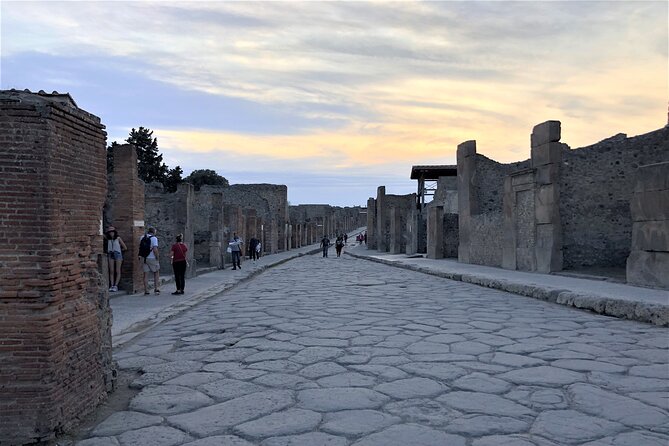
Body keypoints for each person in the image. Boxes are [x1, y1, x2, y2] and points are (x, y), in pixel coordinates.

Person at [139, 227, 160, 295]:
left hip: (144, 258)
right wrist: (157, 257)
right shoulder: (154, 238)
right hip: (152, 258)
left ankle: (146, 290)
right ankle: (156, 288)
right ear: (153, 232)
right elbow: (155, 249)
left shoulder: (142, 237)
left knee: (145, 274)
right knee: (156, 272)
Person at [105, 226, 127, 292]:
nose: (111, 233)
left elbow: (125, 247)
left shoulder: (118, 238)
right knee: (111, 270)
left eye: (112, 232)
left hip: (117, 254)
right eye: (110, 232)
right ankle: (112, 285)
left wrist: (119, 250)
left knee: (118, 270)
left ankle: (116, 285)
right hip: (110, 254)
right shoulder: (108, 239)